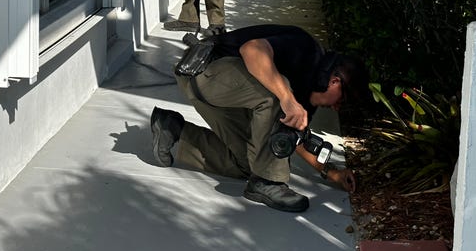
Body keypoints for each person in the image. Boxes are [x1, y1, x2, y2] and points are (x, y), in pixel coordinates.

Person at [150, 24, 369, 212]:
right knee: (277, 95)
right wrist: (286, 98)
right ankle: (268, 182)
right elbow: (252, 49)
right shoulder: (306, 49)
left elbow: (292, 136)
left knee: (250, 163)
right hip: (203, 71)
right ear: (335, 82)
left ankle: (173, 129)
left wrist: (330, 172)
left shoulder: (308, 94)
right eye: (342, 101)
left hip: (221, 93)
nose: (337, 108)